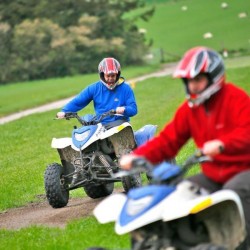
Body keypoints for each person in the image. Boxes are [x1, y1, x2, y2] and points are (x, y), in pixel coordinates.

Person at [119, 46, 250, 246]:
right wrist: (138, 155)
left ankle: (242, 244)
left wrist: (223, 144)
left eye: (197, 80)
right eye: (189, 81)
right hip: (213, 175)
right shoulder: (190, 110)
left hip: (243, 170)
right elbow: (168, 140)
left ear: (214, 77)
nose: (192, 86)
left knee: (234, 195)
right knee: (180, 193)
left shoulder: (236, 99)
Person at [57, 57, 137, 124]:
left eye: (113, 75)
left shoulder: (126, 88)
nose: (110, 78)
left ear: (118, 74)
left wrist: (124, 109)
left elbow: (133, 109)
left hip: (121, 124)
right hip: (100, 126)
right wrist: (64, 111)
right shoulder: (94, 88)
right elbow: (78, 101)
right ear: (102, 75)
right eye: (108, 76)